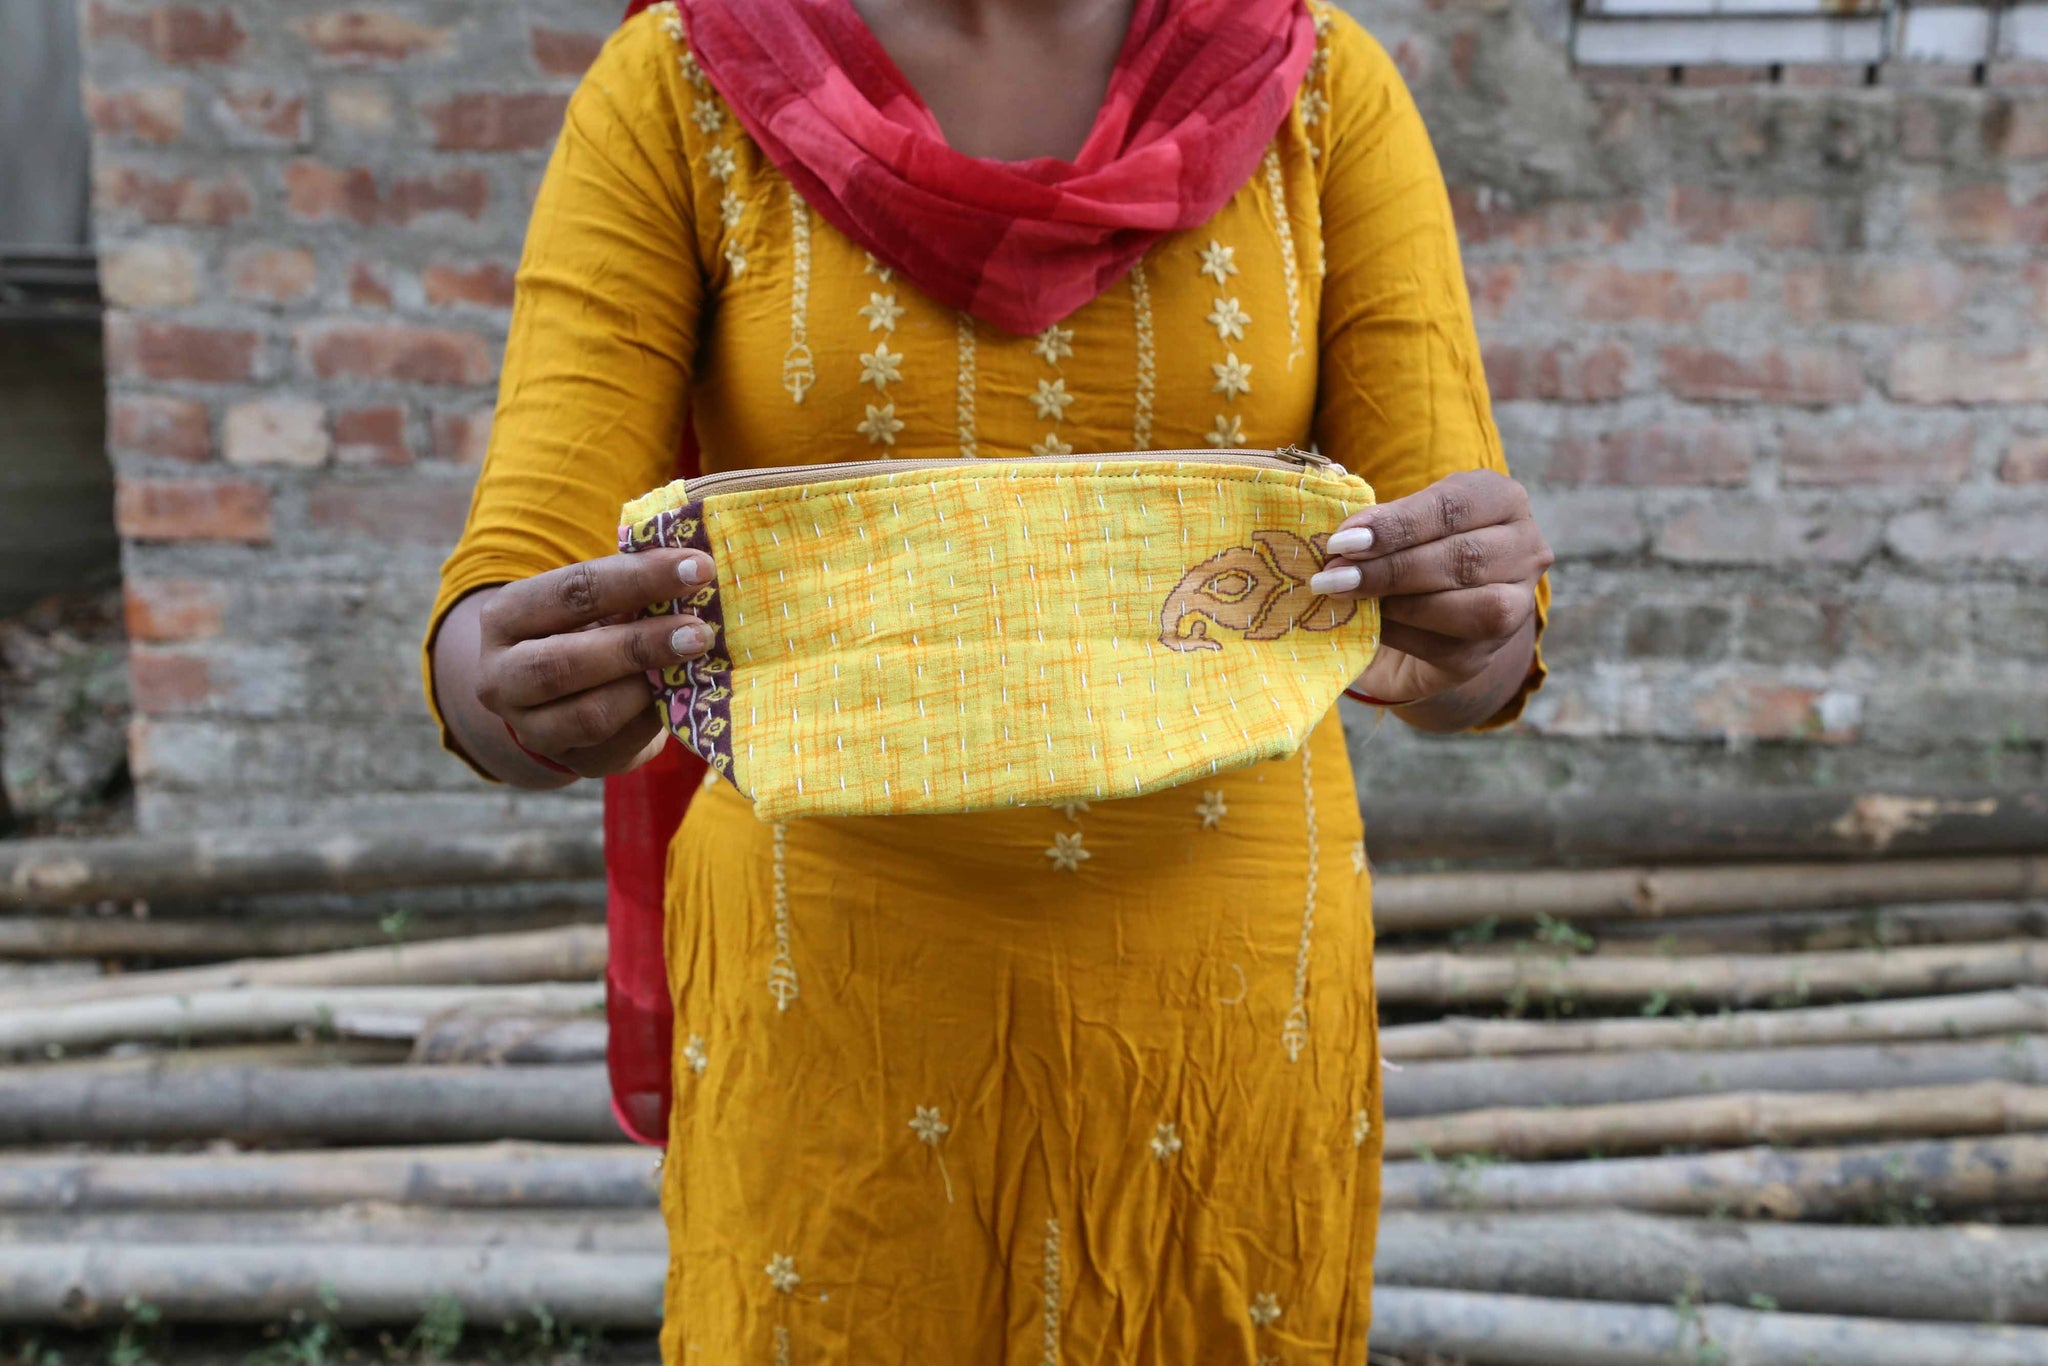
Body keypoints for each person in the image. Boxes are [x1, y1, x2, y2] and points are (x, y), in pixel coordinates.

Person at [423, 0, 1551, 1358]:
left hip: (1221, 1010)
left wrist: (1474, 618)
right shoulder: (690, 83)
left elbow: (1459, 643)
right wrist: (519, 684)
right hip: (830, 1008)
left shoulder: (1312, 89)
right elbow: (513, 588)